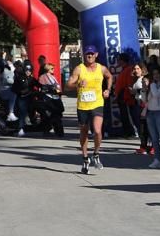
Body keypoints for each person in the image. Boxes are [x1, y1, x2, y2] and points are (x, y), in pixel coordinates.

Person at [66, 45, 113, 175]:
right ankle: (85, 158)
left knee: (97, 131)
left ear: (96, 55)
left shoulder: (101, 68)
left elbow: (109, 76)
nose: (90, 56)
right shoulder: (79, 69)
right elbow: (68, 85)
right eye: (87, 54)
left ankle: (96, 154)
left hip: (97, 103)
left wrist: (107, 89)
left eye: (92, 54)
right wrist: (77, 84)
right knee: (84, 132)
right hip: (83, 106)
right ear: (84, 55)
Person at [112, 53, 139, 138]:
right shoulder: (124, 69)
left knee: (127, 115)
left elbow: (128, 84)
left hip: (125, 97)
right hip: (123, 96)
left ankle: (131, 132)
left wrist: (127, 97)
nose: (117, 61)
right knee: (125, 115)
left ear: (122, 60)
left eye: (119, 59)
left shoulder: (128, 69)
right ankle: (128, 132)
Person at [37, 62, 65, 137]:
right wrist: (48, 88)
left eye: (53, 68)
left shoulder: (53, 77)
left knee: (58, 113)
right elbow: (41, 87)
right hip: (48, 98)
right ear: (47, 69)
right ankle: (47, 129)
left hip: (55, 97)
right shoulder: (43, 77)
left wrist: (59, 91)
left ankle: (58, 130)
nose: (53, 70)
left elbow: (57, 86)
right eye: (52, 68)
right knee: (48, 115)